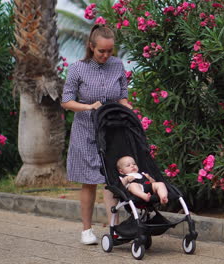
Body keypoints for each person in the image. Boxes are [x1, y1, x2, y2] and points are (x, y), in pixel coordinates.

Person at [61, 24, 132, 245]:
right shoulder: (77, 69)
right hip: (85, 131)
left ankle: (114, 227)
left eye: (110, 51)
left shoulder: (117, 65)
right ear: (91, 47)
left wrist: (128, 109)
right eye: (101, 51)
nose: (105, 55)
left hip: (111, 130)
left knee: (112, 179)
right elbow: (66, 101)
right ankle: (86, 230)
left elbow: (122, 96)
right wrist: (88, 107)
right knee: (89, 181)